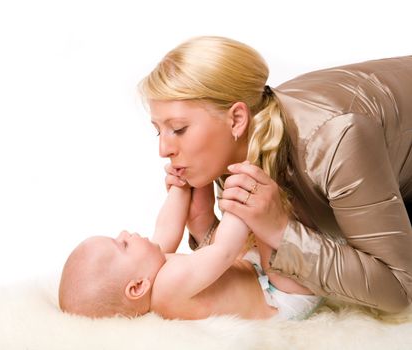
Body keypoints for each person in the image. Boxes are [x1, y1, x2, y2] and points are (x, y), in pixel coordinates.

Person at [138, 35, 412, 313]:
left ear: (236, 119)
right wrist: (205, 226)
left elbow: (400, 290)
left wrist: (281, 230)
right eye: (158, 130)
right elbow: (253, 272)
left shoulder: (337, 138)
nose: (164, 149)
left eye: (179, 129)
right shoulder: (236, 144)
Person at [58, 180, 322, 320]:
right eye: (122, 244)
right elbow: (224, 252)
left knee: (197, 215)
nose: (125, 233)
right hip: (281, 298)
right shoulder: (169, 286)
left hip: (253, 274)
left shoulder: (153, 274)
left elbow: (167, 229)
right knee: (266, 224)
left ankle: (202, 189)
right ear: (137, 287)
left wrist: (180, 187)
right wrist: (240, 202)